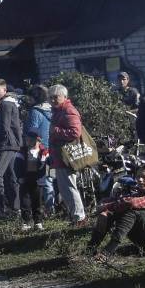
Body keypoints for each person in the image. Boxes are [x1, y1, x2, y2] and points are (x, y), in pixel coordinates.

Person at [86, 164, 145, 263]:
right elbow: (124, 199)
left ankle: (107, 252)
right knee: (111, 213)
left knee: (132, 210)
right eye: (138, 176)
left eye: (144, 177)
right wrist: (106, 207)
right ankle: (90, 249)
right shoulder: (143, 192)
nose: (140, 180)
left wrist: (107, 206)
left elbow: (132, 202)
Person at [48, 84, 88, 226]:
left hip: (68, 157)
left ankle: (79, 218)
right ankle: (75, 216)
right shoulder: (59, 111)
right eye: (50, 97)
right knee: (65, 188)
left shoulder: (68, 110)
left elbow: (75, 132)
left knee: (69, 187)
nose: (53, 100)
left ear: (65, 97)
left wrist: (56, 130)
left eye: (56, 97)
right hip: (61, 156)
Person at [0, 79, 23, 219]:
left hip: (6, 144)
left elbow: (4, 127)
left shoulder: (6, 104)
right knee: (11, 177)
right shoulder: (11, 102)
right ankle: (16, 208)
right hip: (13, 143)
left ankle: (0, 208)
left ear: (5, 90)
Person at [23, 84, 55, 212]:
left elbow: (32, 132)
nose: (28, 100)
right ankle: (54, 206)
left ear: (34, 97)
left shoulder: (35, 112)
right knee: (51, 179)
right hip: (52, 149)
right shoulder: (51, 109)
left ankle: (47, 209)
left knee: (41, 180)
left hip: (39, 149)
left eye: (29, 97)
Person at [19, 131, 49, 231]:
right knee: (25, 202)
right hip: (25, 180)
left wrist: (44, 158)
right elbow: (17, 165)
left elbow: (46, 165)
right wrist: (20, 177)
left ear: (39, 141)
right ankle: (26, 222)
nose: (30, 141)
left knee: (38, 202)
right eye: (28, 139)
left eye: (33, 139)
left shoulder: (44, 152)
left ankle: (38, 222)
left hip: (38, 181)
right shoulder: (22, 151)